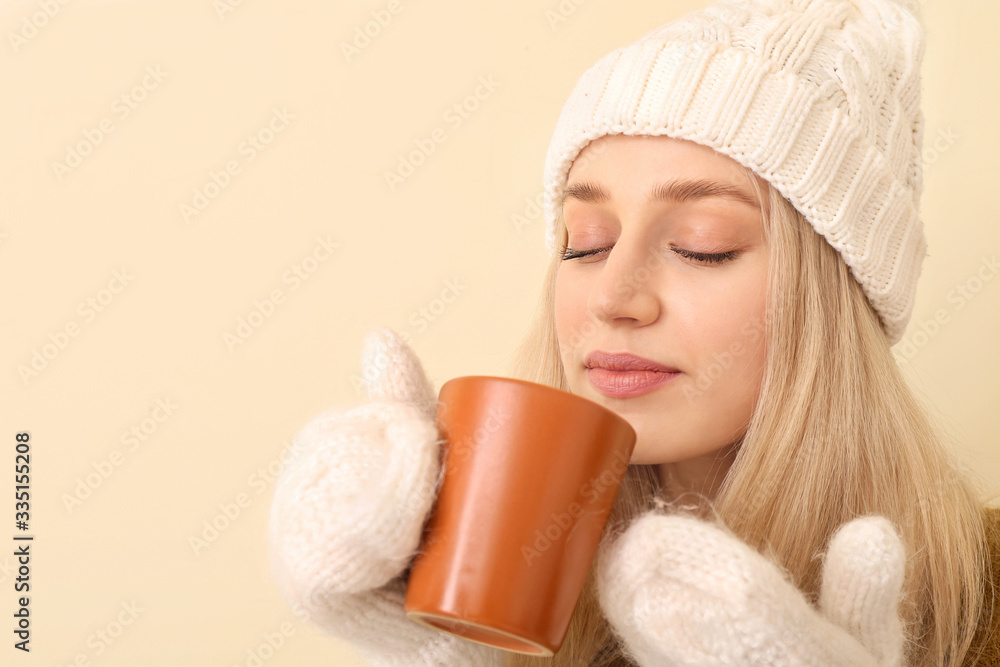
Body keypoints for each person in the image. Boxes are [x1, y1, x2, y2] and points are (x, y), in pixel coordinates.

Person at [268, 0, 1000, 665]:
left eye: (701, 244)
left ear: (833, 302)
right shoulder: (515, 610)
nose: (613, 297)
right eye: (584, 241)